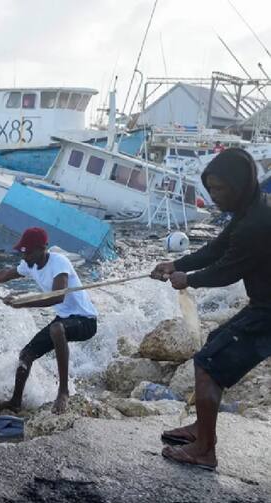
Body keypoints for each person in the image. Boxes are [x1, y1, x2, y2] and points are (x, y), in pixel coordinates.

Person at [151, 148, 271, 471]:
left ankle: (205, 450)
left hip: (268, 312)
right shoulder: (251, 209)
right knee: (215, 343)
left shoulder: (255, 224)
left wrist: (186, 279)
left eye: (219, 189)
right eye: (211, 189)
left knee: (206, 363)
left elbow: (226, 271)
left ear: (239, 184)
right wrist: (175, 263)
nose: (214, 196)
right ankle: (200, 430)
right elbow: (217, 249)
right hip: (263, 305)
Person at [0, 227, 98, 415]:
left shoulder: (59, 262)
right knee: (26, 355)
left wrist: (22, 302)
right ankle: (15, 402)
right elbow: (4, 275)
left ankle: (63, 391)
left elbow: (58, 297)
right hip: (65, 320)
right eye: (23, 253)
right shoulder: (30, 264)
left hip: (86, 321)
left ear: (43, 248)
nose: (25, 257)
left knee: (57, 329)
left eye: (29, 252)